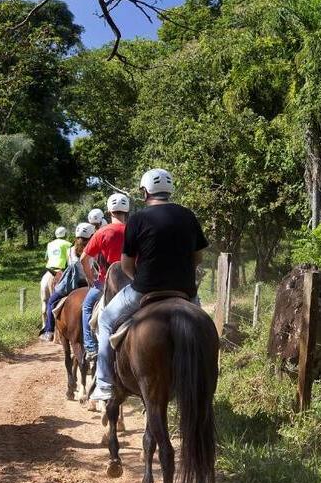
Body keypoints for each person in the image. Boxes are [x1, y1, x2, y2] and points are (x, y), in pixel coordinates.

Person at [90, 169, 208, 402]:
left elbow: (126, 264)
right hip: (185, 290)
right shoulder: (188, 215)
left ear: (145, 192)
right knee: (203, 328)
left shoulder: (138, 219)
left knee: (104, 320)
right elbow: (198, 257)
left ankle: (103, 383)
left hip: (145, 289)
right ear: (170, 190)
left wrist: (138, 279)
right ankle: (206, 374)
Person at [80, 193, 130, 362]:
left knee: (87, 307)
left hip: (106, 284)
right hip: (133, 284)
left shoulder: (102, 232)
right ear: (127, 210)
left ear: (109, 211)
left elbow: (84, 259)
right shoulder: (134, 229)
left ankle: (91, 348)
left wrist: (91, 279)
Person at [39, 222, 95, 342]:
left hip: (71, 285)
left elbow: (66, 266)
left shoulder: (70, 250)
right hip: (90, 283)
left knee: (51, 302)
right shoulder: (94, 249)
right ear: (92, 235)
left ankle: (49, 330)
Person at [40, 226, 71, 329]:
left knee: (45, 301)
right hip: (61, 272)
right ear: (65, 235)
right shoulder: (68, 244)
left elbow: (47, 258)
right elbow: (70, 261)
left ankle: (45, 326)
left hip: (49, 272)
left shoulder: (50, 244)